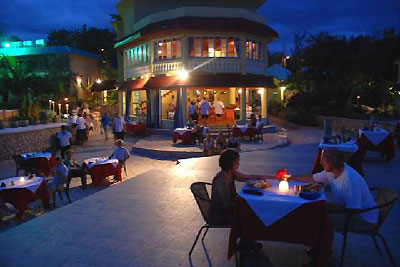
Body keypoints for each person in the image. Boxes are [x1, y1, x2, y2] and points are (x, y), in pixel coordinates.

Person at [292, 148, 378, 229]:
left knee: (318, 218)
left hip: (363, 220)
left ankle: (320, 243)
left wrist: (329, 209)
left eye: (323, 160)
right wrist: (289, 177)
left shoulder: (350, 179)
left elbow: (353, 210)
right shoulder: (331, 171)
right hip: (347, 209)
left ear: (332, 162)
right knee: (314, 209)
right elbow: (312, 178)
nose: (320, 163)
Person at [210, 149, 274, 225]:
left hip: (230, 210)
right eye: (236, 162)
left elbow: (249, 177)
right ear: (230, 163)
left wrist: (274, 177)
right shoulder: (221, 180)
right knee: (256, 217)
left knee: (259, 213)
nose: (238, 164)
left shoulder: (231, 174)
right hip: (220, 215)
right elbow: (227, 205)